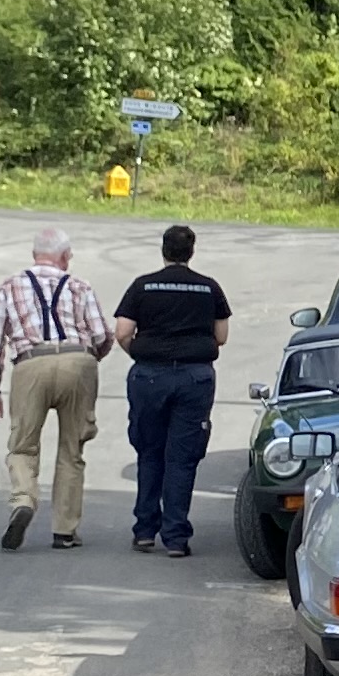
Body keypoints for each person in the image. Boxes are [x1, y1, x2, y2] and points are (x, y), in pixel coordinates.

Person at [0, 229, 112, 550]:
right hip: (77, 361)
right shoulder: (80, 286)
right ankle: (65, 531)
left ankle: (24, 500)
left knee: (23, 446)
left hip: (30, 363)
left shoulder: (8, 288)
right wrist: (89, 359)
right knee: (72, 449)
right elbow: (101, 335)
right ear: (64, 256)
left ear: (34, 254)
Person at [112, 223, 233, 557]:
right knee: (182, 457)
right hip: (195, 378)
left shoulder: (143, 285)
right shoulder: (209, 288)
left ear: (163, 250)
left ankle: (144, 531)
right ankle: (176, 537)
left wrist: (141, 354)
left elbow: (122, 331)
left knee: (149, 451)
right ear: (191, 252)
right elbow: (221, 336)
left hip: (150, 376)